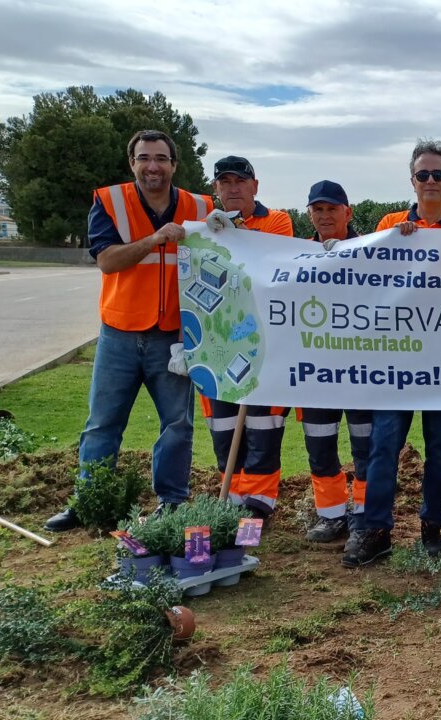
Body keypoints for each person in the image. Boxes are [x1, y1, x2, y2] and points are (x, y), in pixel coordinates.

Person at [45, 129, 212, 531]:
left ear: (174, 164)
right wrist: (154, 239)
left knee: (177, 424)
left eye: (161, 158)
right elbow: (107, 261)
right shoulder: (109, 202)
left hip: (172, 335)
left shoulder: (200, 207)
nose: (152, 166)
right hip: (119, 332)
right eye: (144, 158)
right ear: (132, 163)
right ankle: (90, 501)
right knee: (102, 422)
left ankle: (172, 502)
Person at [342, 141, 441, 567]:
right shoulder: (388, 224)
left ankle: (431, 529)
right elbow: (357, 272)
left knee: (440, 448)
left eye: (439, 175)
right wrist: (391, 244)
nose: (431, 182)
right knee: (385, 446)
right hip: (396, 363)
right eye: (423, 175)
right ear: (413, 181)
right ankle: (376, 530)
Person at [198, 156, 293, 521]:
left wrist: (231, 230)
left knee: (263, 426)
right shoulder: (203, 227)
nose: (233, 188)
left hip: (265, 344)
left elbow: (270, 263)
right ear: (216, 189)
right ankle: (231, 503)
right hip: (216, 344)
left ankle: (257, 505)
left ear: (255, 186)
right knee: (223, 427)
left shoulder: (277, 220)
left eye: (241, 181)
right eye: (225, 182)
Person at [297, 180, 375, 543]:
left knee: (365, 447)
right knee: (319, 444)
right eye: (318, 209)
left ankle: (364, 514)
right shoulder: (293, 256)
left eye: (332, 209)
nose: (325, 216)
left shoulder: (373, 251)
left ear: (348, 212)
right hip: (315, 371)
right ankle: (330, 516)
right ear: (309, 213)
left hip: (361, 372)